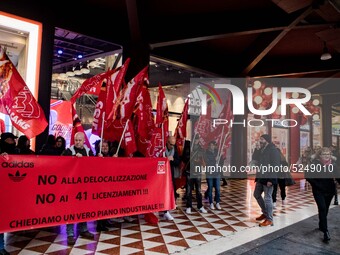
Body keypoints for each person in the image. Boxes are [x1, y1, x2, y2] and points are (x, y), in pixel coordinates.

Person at [61, 132, 95, 245]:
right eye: (76, 140)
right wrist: (73, 159)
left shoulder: (89, 151)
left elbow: (95, 165)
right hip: (72, 187)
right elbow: (60, 163)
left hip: (85, 186)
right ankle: (70, 234)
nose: (78, 142)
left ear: (84, 140)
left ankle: (83, 229)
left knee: (83, 208)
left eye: (80, 140)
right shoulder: (68, 151)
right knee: (70, 210)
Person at [306, 147, 340, 243]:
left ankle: (322, 224)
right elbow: (308, 176)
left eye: (328, 154)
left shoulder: (333, 165)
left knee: (326, 208)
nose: (326, 156)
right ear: (319, 155)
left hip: (329, 191)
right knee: (322, 208)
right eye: (324, 154)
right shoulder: (314, 164)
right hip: (318, 191)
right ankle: (325, 231)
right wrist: (316, 185)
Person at [254, 134, 280, 227]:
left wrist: (271, 179)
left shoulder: (273, 150)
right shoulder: (262, 149)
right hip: (261, 176)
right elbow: (255, 159)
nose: (260, 140)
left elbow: (276, 166)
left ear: (267, 140)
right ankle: (265, 213)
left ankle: (269, 219)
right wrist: (256, 149)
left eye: (262, 139)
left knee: (267, 198)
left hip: (268, 177)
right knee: (256, 194)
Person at [183, 137, 207, 214]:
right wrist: (189, 157)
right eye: (194, 139)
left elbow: (204, 159)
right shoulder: (187, 148)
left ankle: (200, 206)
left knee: (199, 191)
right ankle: (188, 206)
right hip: (189, 172)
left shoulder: (201, 149)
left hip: (198, 172)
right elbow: (183, 158)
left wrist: (201, 162)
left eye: (197, 139)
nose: (196, 141)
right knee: (189, 191)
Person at [163, 136, 180, 220]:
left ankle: (167, 209)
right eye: (171, 144)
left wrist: (172, 160)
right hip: (161, 174)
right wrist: (165, 159)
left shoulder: (174, 150)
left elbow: (178, 162)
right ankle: (164, 210)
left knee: (171, 190)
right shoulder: (162, 149)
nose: (172, 146)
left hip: (170, 173)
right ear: (167, 142)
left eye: (174, 144)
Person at [205, 140, 222, 210]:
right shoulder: (206, 153)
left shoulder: (217, 152)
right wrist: (214, 160)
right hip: (209, 173)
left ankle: (217, 202)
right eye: (211, 145)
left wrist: (220, 160)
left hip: (217, 173)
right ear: (209, 145)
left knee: (218, 188)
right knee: (210, 188)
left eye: (214, 145)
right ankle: (211, 203)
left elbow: (220, 162)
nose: (213, 146)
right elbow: (207, 162)